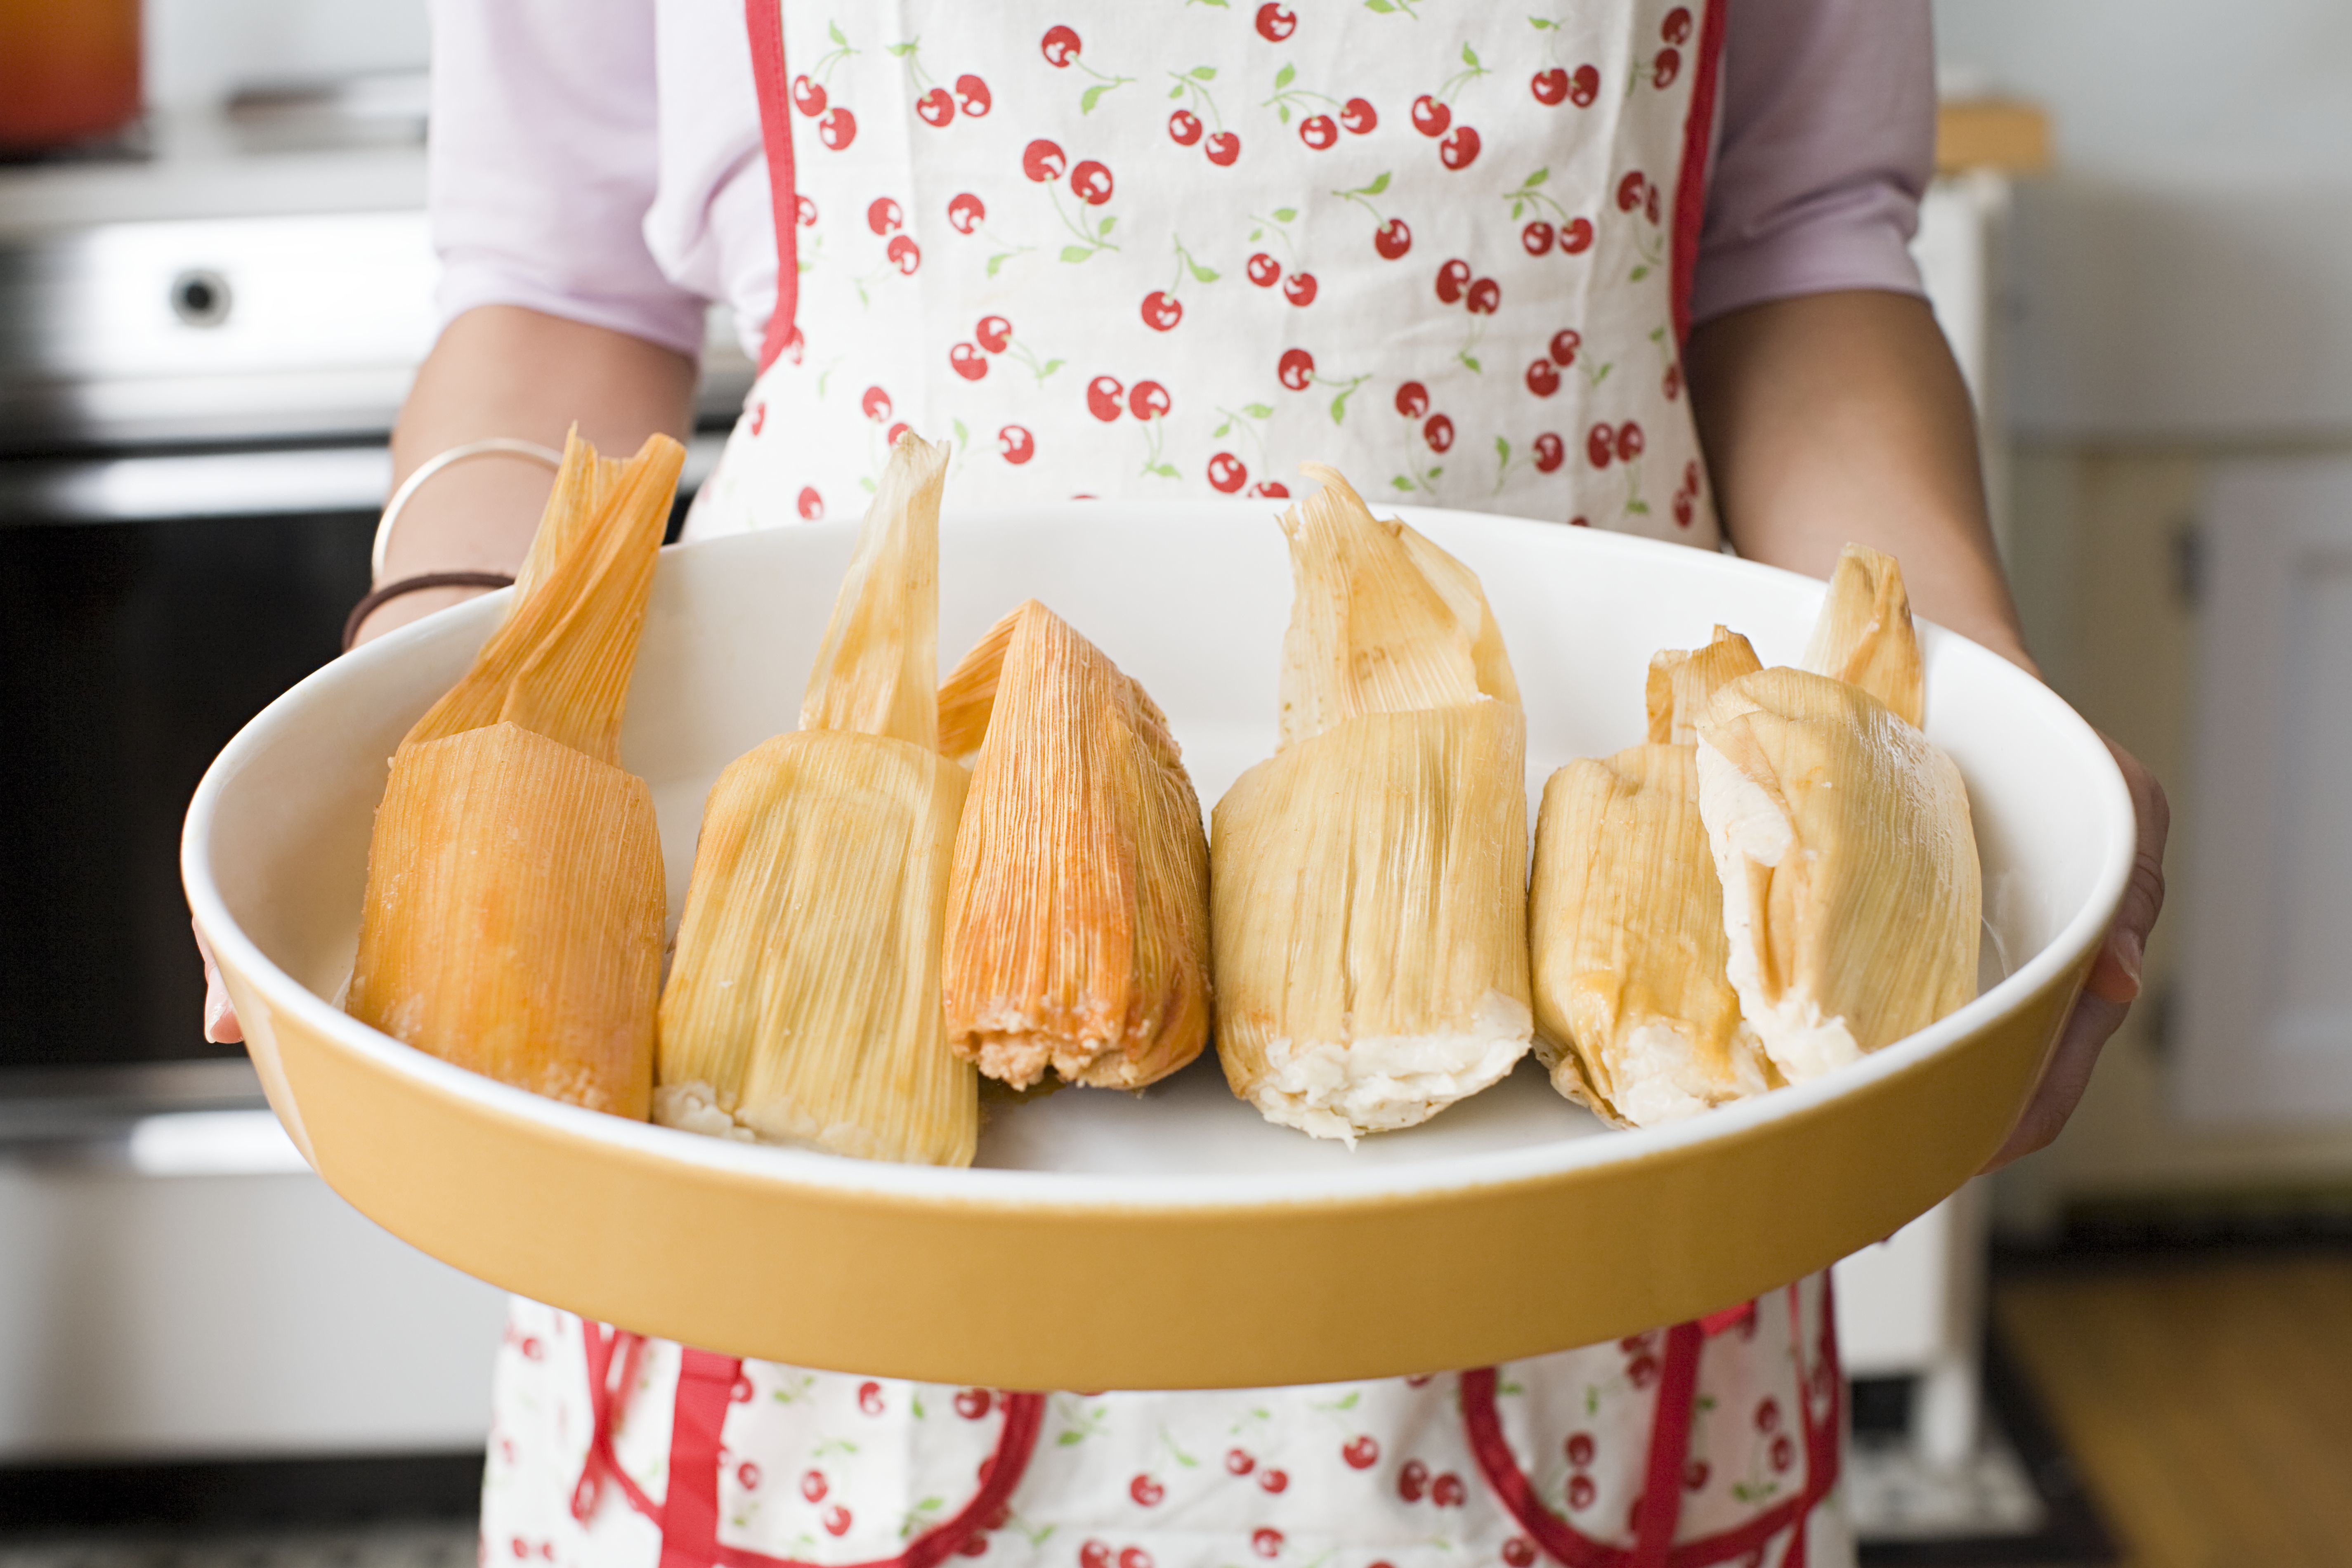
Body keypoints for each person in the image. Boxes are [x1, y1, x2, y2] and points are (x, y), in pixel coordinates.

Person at [200, 2, 2169, 1563]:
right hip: (815, 1019)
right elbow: (560, 286)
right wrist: (440, 664)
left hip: (1592, 1002)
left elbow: (1797, 249)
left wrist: (1971, 736)